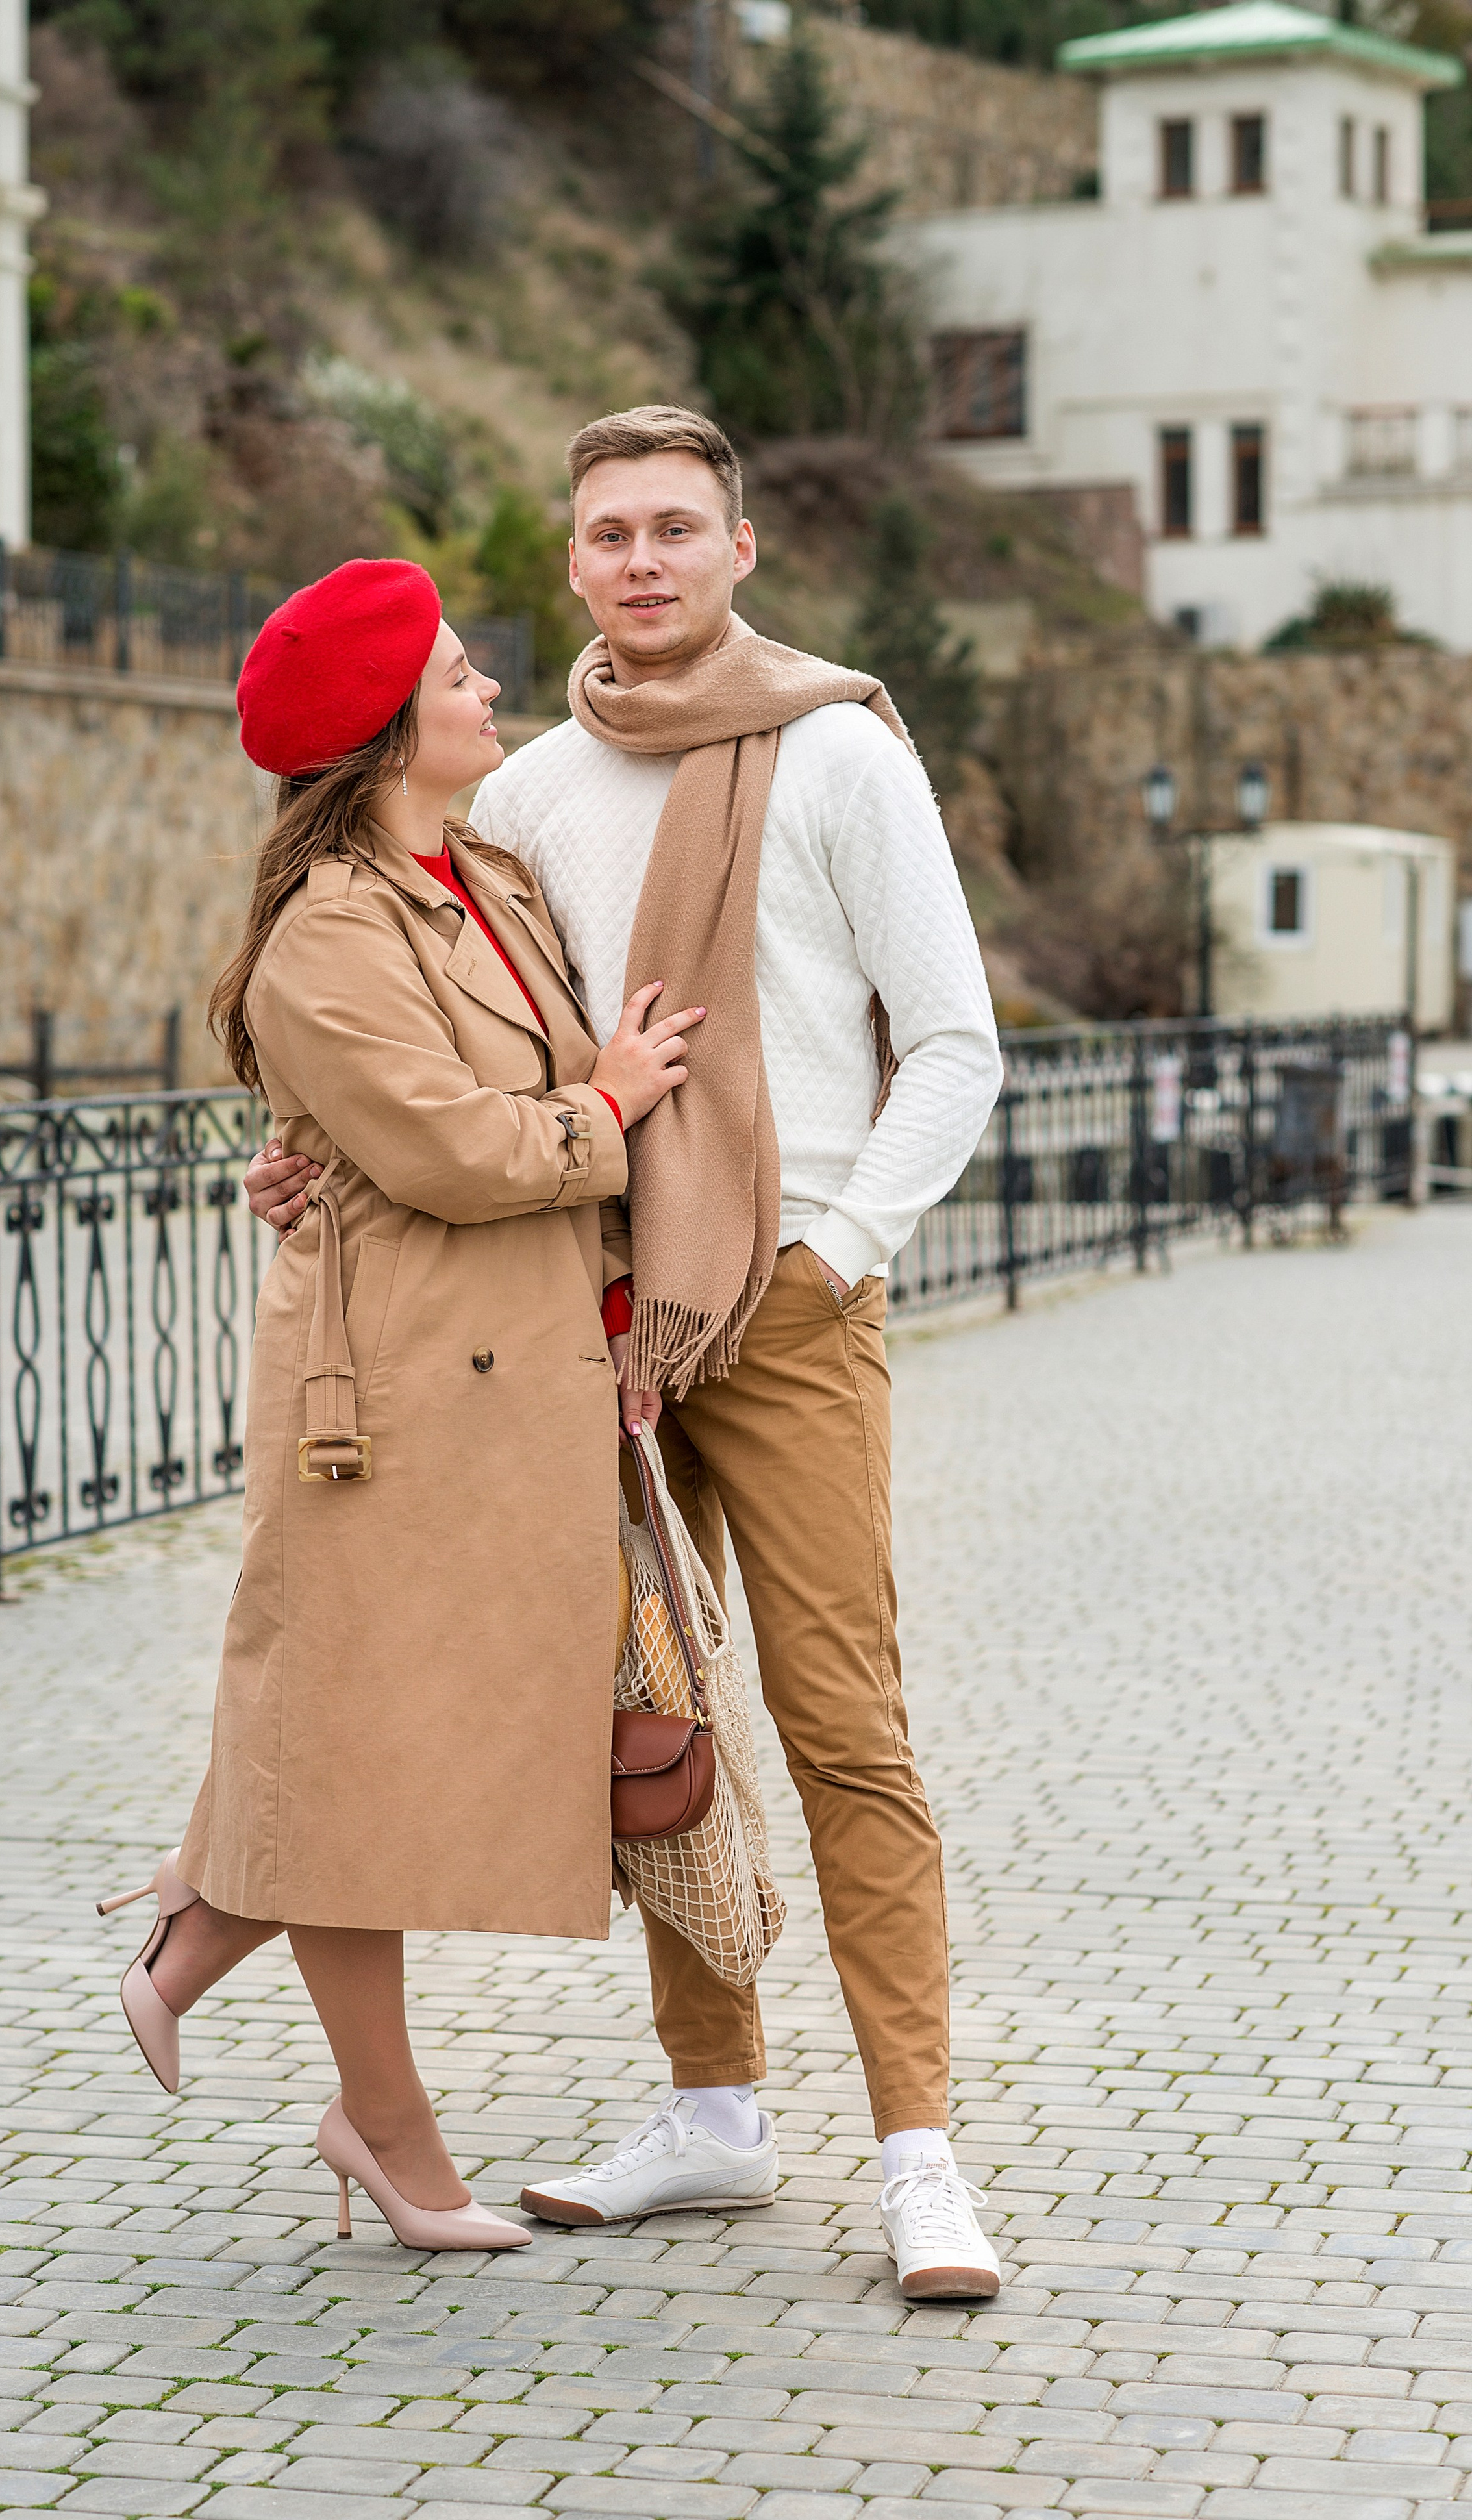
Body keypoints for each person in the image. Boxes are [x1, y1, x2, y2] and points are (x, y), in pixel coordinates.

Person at [246, 408, 1006, 2299]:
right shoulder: (528, 798)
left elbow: (959, 1047)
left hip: (795, 1314)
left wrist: (833, 1258)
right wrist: (310, 1150)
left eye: (679, 526)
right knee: (655, 1725)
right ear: (573, 562)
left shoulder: (836, 754)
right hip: (589, 1322)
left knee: (845, 1727)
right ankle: (715, 2109)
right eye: (609, 534)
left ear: (743, 549)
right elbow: (458, 1044)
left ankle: (920, 2149)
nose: (644, 560)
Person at [99, 555, 704, 2256]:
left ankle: (202, 1919)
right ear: (386, 728)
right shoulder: (328, 931)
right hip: (385, 1405)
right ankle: (382, 2124)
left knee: (362, 1741)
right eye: (454, 673)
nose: (486, 687)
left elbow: (436, 1119)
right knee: (354, 1753)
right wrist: (613, 1102)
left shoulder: (483, 874)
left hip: (502, 1380)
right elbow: (445, 1140)